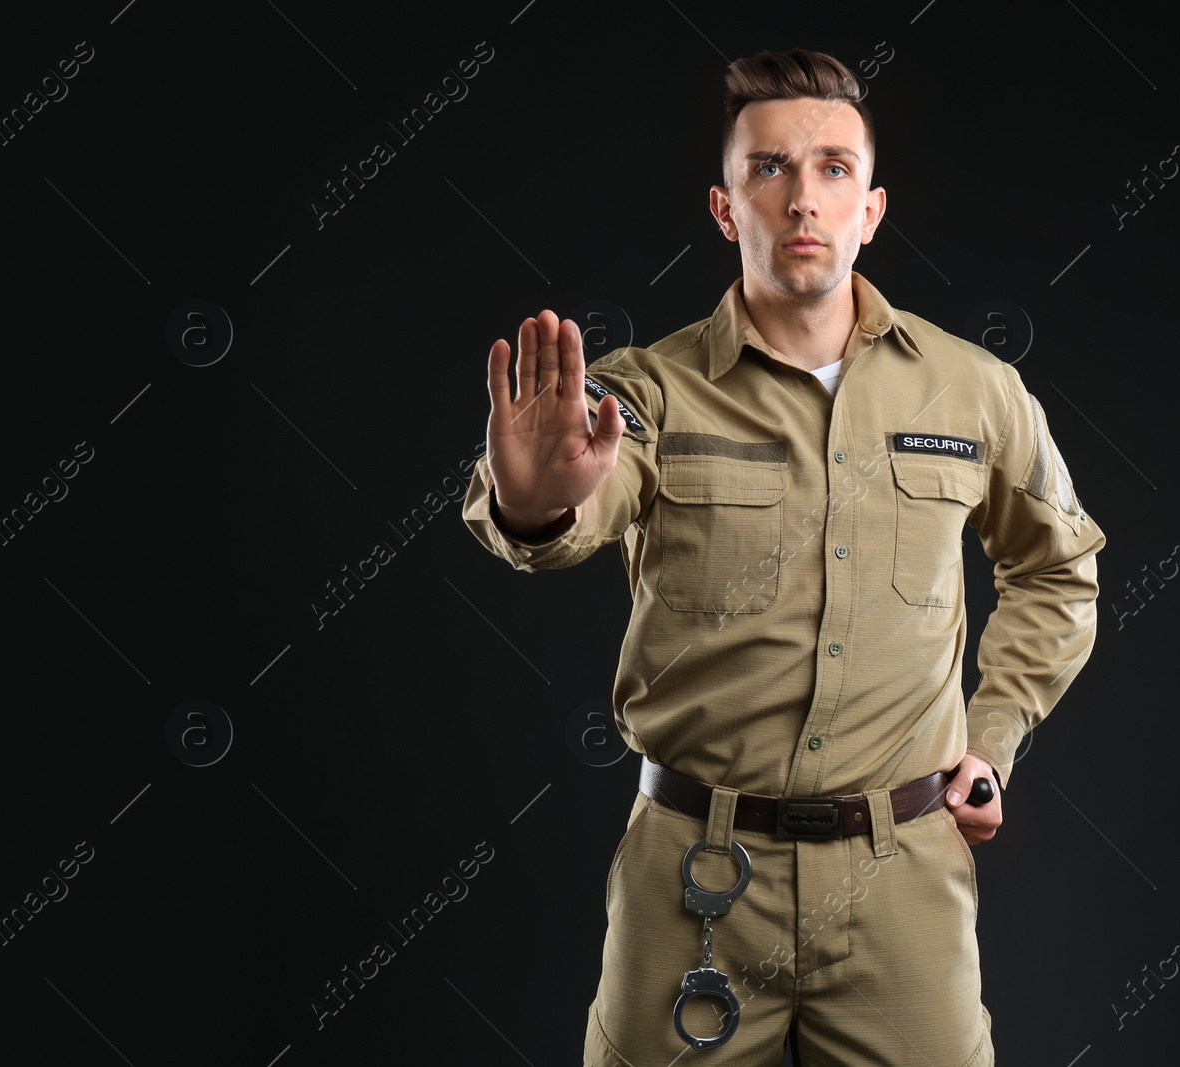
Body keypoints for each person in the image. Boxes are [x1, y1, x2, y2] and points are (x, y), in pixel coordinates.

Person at [461, 47, 1105, 1067]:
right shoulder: (648, 392)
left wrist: (991, 734)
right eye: (769, 168)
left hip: (903, 874)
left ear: (872, 208)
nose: (802, 197)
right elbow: (574, 512)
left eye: (833, 168)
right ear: (725, 208)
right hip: (694, 872)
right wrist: (534, 500)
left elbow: (1058, 568)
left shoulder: (975, 390)